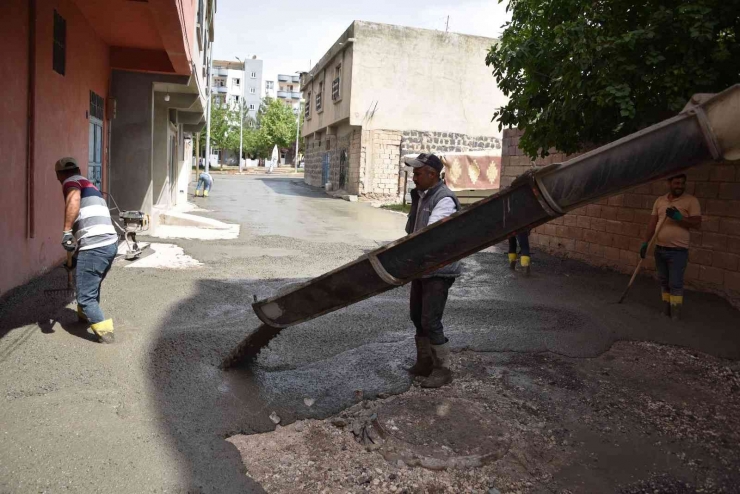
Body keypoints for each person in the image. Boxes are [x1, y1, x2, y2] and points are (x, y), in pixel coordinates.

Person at [404, 153, 461, 388]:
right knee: (417, 317)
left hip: (439, 269)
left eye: (418, 173)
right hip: (421, 267)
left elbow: (431, 235)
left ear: (432, 174)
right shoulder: (422, 196)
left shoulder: (444, 199)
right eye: (414, 173)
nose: (414, 177)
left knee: (430, 320)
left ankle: (443, 369)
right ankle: (424, 362)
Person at [55, 157, 118, 343]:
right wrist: (75, 258)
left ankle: (106, 335)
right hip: (109, 243)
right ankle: (83, 317)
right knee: (92, 283)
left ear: (59, 175)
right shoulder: (89, 184)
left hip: (95, 246)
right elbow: (88, 223)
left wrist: (66, 232)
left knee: (85, 296)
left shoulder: (71, 182)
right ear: (79, 168)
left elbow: (73, 199)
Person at [640, 174, 701, 320]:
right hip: (660, 249)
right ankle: (666, 310)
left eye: (682, 183)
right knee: (664, 281)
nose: (680, 186)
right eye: (676, 183)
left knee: (675, 283)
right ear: (669, 183)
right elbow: (652, 224)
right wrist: (645, 243)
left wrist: (679, 218)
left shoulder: (691, 201)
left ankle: (675, 314)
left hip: (678, 251)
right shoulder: (660, 201)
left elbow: (697, 223)